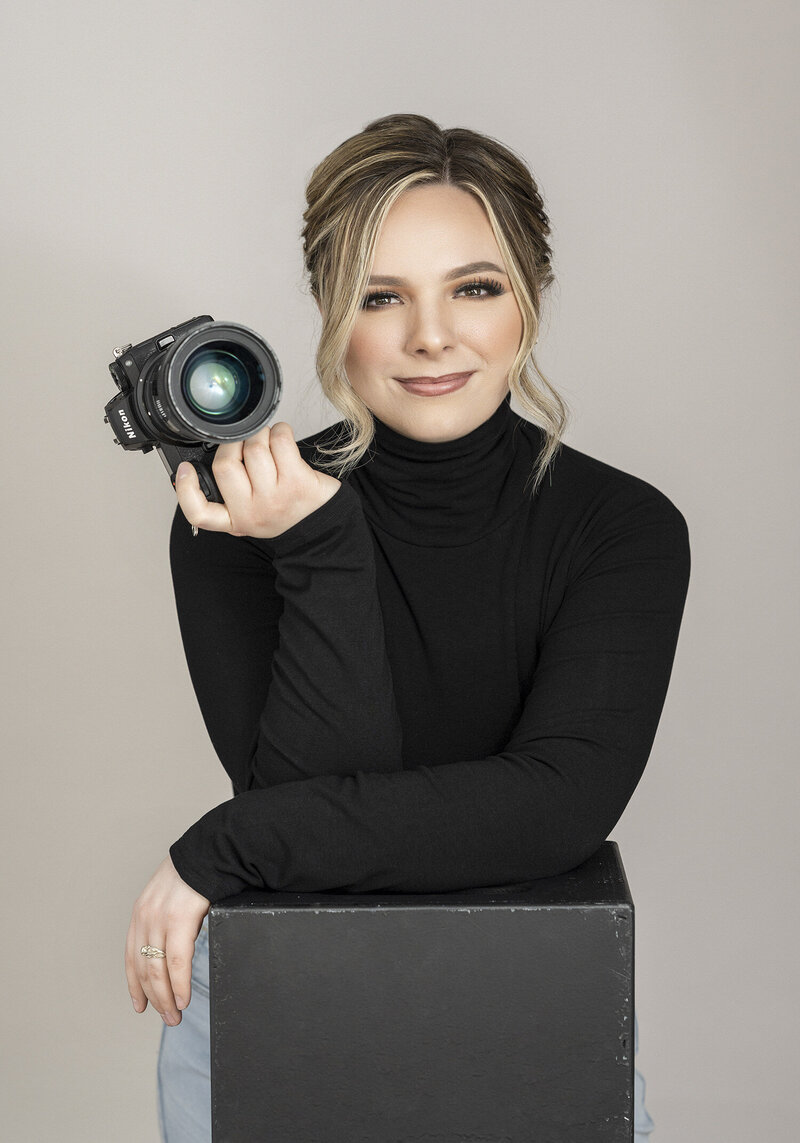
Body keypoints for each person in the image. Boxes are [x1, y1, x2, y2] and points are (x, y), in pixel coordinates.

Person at [125, 113, 688, 1142]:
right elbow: (310, 824)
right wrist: (319, 545)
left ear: (527, 297)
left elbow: (554, 808)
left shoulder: (621, 528)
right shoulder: (240, 520)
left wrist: (222, 845)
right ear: (332, 313)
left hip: (534, 1012)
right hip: (277, 1015)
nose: (432, 337)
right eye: (381, 298)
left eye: (473, 287)